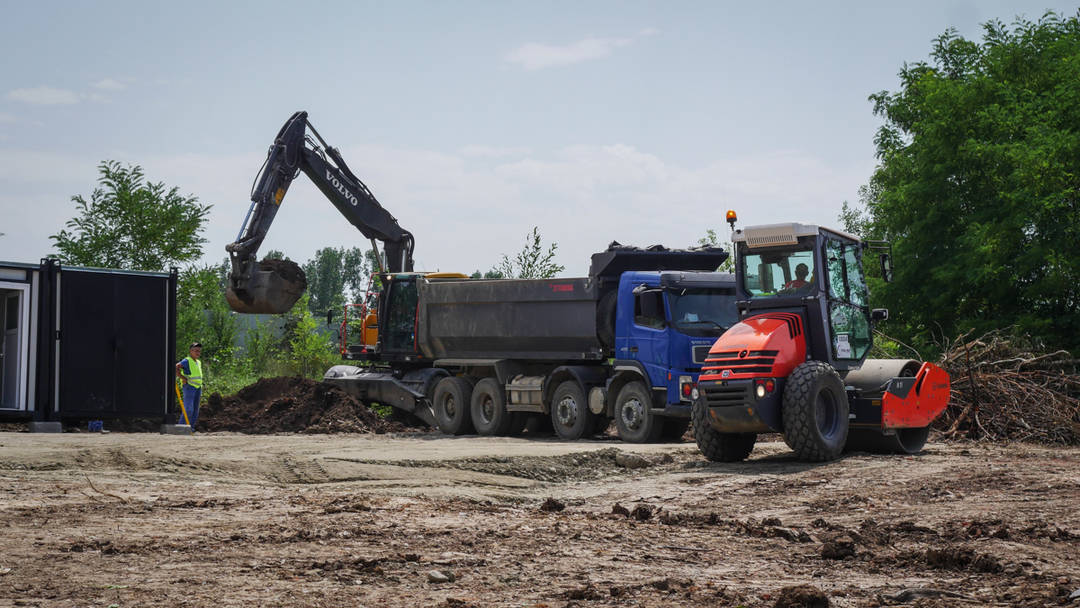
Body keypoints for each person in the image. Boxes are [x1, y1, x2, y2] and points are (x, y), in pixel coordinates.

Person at [175, 342, 205, 428]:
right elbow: (176, 367)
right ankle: (181, 427)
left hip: (198, 387)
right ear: (190, 351)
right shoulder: (186, 361)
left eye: (199, 351)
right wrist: (182, 378)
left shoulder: (198, 362)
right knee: (188, 409)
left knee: (196, 410)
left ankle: (190, 428)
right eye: (196, 351)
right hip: (189, 387)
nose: (198, 353)